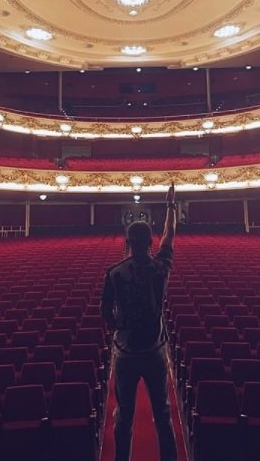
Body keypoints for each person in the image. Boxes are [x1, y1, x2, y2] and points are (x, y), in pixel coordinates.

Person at [101, 184, 178, 461]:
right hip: (155, 350)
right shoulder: (161, 268)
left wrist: (119, 328)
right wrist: (170, 206)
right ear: (149, 242)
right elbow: (169, 237)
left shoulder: (114, 273)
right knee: (163, 414)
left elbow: (105, 310)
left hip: (126, 352)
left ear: (127, 242)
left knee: (124, 416)